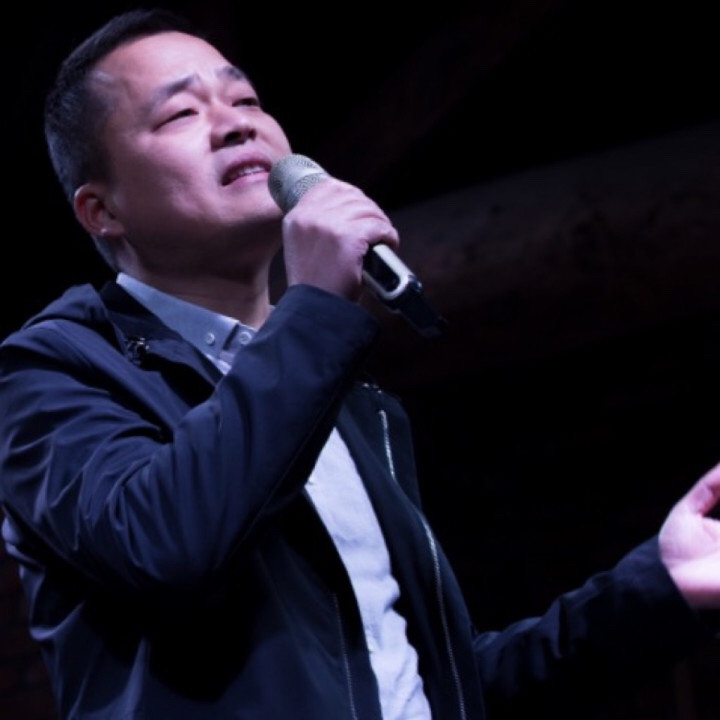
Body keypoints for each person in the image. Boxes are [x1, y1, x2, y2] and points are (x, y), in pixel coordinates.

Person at [0, 7, 719, 720]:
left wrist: (659, 589)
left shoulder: (335, 399)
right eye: (181, 114)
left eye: (245, 99)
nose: (237, 124)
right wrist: (315, 306)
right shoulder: (52, 370)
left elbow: (431, 689)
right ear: (101, 210)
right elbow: (162, 543)